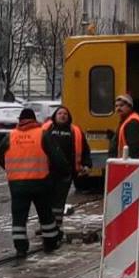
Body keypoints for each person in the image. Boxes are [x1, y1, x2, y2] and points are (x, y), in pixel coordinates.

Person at [39, 104, 90, 251]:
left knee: (59, 202)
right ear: (55, 116)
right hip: (47, 172)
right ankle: (48, 226)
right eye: (60, 113)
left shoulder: (75, 131)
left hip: (66, 173)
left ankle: (56, 227)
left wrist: (86, 164)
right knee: (47, 201)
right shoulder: (47, 130)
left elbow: (85, 150)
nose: (62, 116)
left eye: (65, 114)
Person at [2, 106, 49, 258]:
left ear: (20, 121)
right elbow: (55, 154)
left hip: (16, 183)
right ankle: (50, 241)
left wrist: (9, 168)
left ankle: (20, 247)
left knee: (19, 217)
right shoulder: (42, 133)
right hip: (40, 181)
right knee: (44, 213)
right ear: (34, 120)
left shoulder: (11, 136)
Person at [111, 92, 139, 245]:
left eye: (122, 105)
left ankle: (138, 235)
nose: (118, 108)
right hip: (130, 168)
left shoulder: (132, 123)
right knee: (133, 202)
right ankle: (137, 233)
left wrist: (129, 166)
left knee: (132, 202)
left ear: (129, 106)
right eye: (116, 106)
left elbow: (133, 147)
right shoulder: (126, 121)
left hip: (131, 169)